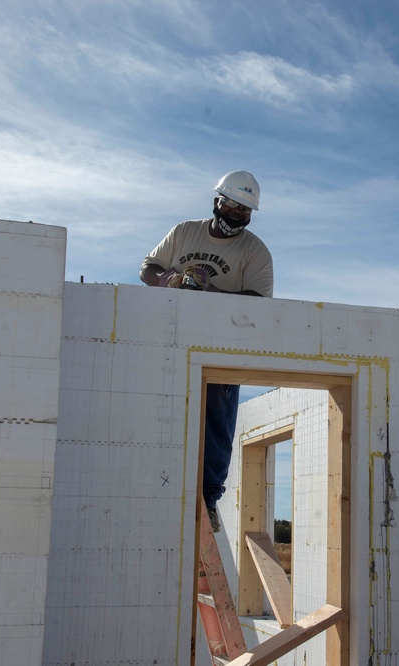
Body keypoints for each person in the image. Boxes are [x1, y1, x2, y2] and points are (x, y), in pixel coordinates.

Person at [140, 171, 273, 532]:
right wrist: (165, 280)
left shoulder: (254, 251)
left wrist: (211, 291)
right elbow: (148, 268)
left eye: (245, 211)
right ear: (217, 201)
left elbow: (259, 304)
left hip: (222, 346)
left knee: (217, 417)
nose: (237, 215)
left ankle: (208, 499)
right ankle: (153, 487)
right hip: (172, 339)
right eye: (231, 205)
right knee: (158, 412)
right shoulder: (185, 232)